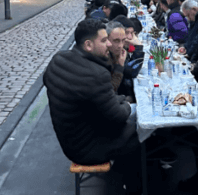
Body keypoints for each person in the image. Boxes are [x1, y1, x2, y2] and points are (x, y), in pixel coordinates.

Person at [43, 19, 141, 193]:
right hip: (87, 148)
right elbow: (118, 115)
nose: (109, 44)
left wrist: (120, 101)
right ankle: (131, 186)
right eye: (104, 41)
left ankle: (124, 178)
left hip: (70, 139)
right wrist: (128, 104)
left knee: (133, 114)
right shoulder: (95, 74)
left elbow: (96, 99)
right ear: (88, 45)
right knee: (140, 127)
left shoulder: (58, 59)